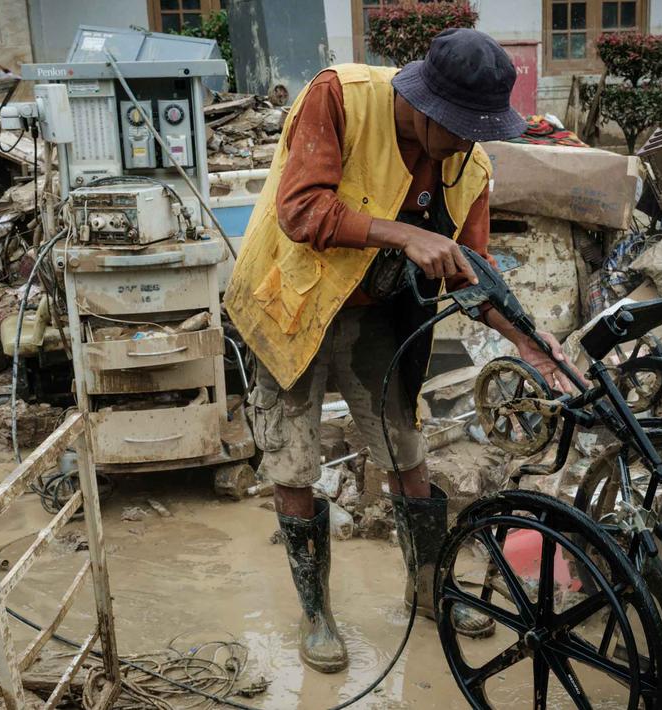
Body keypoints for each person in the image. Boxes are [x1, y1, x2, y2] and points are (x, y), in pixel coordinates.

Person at [225, 28, 576, 674]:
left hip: (371, 315)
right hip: (289, 302)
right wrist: (403, 236)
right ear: (424, 103)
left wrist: (527, 338)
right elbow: (300, 209)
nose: (467, 143)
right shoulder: (339, 97)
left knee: (407, 456)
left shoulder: (469, 165)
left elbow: (470, 270)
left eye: (478, 130)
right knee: (294, 463)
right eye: (459, 127)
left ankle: (427, 591)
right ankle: (316, 613)